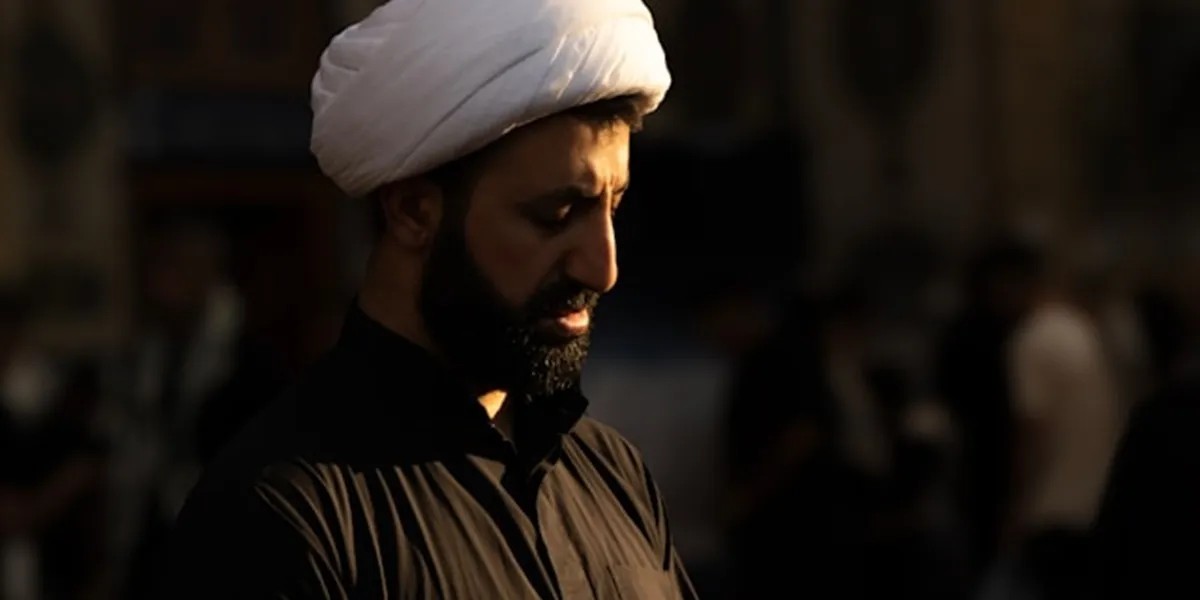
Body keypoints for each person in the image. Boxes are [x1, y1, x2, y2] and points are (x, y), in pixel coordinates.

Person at [159, 0, 691, 598]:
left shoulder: (614, 475)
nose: (603, 268)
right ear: (414, 211)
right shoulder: (289, 515)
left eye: (612, 209)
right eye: (557, 215)